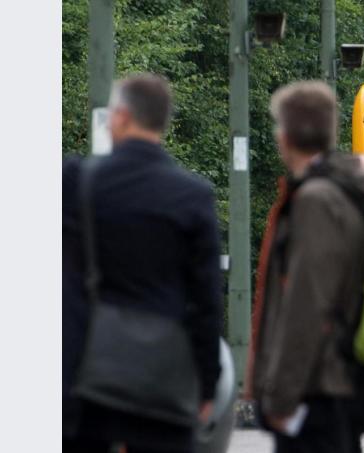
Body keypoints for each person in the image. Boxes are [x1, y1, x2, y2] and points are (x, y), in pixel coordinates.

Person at [63, 74, 223, 453]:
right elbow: (206, 301)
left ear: (120, 117)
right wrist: (207, 381)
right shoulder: (193, 195)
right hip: (161, 379)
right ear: (162, 123)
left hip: (86, 373)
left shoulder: (78, 182)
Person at [250, 80, 364, 453]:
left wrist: (281, 397)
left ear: (287, 136)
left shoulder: (316, 200)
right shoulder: (346, 192)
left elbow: (308, 303)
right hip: (340, 380)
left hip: (317, 387)